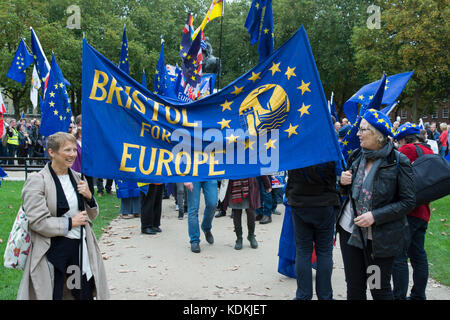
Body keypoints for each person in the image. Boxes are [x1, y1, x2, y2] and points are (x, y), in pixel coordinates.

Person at [18, 132, 109, 300]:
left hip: (78, 251)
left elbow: (92, 215)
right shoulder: (37, 181)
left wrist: (89, 197)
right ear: (52, 152)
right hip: (52, 253)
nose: (73, 154)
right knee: (56, 293)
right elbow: (38, 222)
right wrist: (70, 222)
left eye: (74, 150)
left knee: (80, 293)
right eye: (67, 150)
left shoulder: (78, 178)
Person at [337, 109, 415, 300]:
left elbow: (407, 201)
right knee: (354, 288)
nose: (357, 134)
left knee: (377, 289)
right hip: (350, 233)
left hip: (378, 241)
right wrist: (342, 182)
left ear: (377, 135)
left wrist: (375, 216)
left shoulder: (398, 162)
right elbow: (346, 194)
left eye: (363, 130)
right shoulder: (356, 156)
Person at [286, 161, 341, 300]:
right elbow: (340, 172)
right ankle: (325, 296)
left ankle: (303, 295)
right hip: (324, 203)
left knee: (303, 251)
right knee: (324, 252)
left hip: (300, 202)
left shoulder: (297, 144)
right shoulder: (328, 146)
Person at [392, 123, 433, 300]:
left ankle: (399, 296)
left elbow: (393, 174)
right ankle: (418, 295)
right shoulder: (429, 151)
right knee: (418, 256)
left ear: (402, 138)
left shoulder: (407, 150)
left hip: (407, 211)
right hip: (423, 211)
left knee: (399, 256)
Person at [222, 176, 271, 250]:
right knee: (236, 212)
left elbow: (259, 167)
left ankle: (251, 235)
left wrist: (267, 184)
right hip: (235, 185)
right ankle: (239, 238)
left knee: (250, 212)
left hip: (249, 185)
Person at [184, 180, 218, 253]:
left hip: (210, 173)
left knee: (212, 204)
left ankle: (206, 227)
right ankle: (194, 240)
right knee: (193, 209)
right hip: (193, 175)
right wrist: (185, 178)